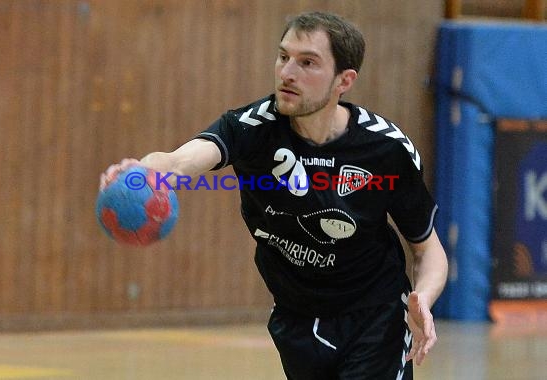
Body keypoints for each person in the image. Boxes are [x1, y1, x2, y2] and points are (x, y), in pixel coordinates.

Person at [101, 11, 448, 379]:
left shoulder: (386, 150)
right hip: (294, 317)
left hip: (375, 317)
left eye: (307, 63)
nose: (287, 73)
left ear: (343, 81)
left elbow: (428, 250)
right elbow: (180, 161)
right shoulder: (251, 128)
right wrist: (142, 171)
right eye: (283, 57)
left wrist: (422, 299)